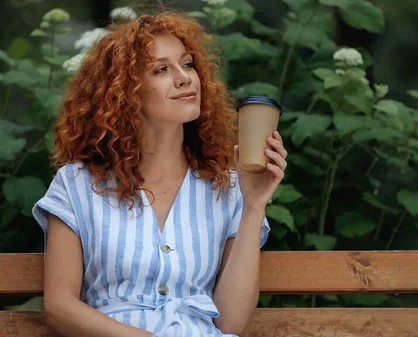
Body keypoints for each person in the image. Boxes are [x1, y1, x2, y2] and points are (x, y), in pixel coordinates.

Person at [32, 11, 287, 337]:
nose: (184, 78)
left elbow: (230, 323)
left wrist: (254, 205)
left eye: (188, 64)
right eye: (162, 69)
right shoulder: (77, 184)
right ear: (125, 91)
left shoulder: (228, 187)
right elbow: (59, 307)